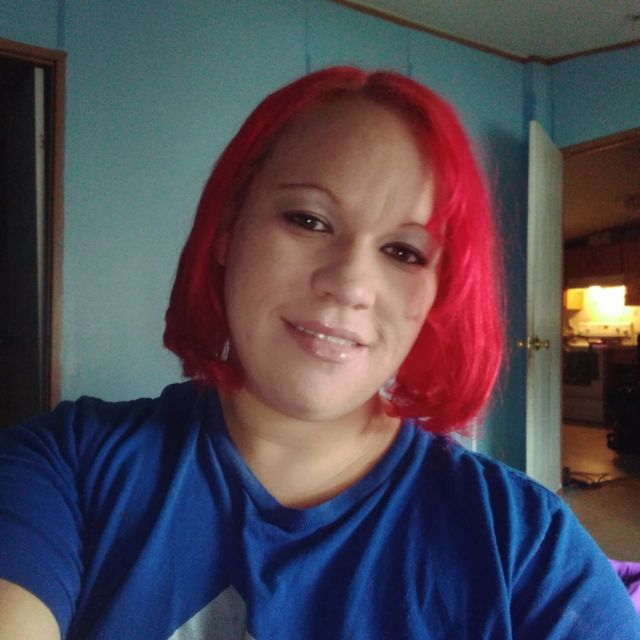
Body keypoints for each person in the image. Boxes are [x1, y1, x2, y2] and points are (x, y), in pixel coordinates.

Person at [0, 67, 638, 640]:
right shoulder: (66, 466)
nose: (350, 284)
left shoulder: (523, 544)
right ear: (228, 229)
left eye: (404, 252)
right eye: (308, 220)